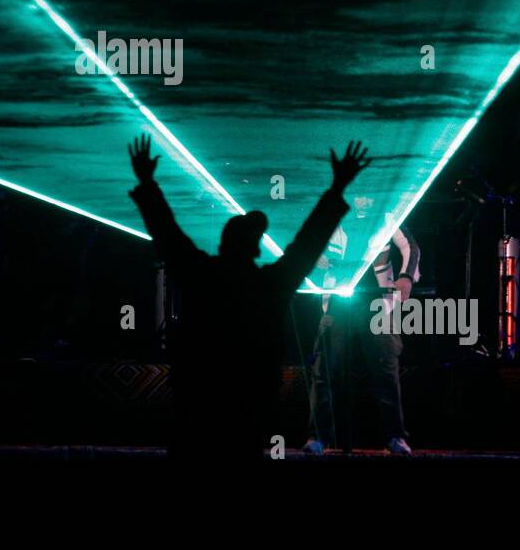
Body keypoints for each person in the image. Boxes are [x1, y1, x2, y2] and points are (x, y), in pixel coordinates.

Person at [127, 134, 371, 460]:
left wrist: (147, 183)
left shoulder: (201, 275)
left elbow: (167, 233)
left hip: (197, 406)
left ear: (224, 244)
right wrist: (338, 187)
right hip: (248, 409)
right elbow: (307, 245)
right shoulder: (269, 285)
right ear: (255, 248)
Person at [304, 224, 421, 456]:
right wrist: (314, 258)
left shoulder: (387, 214)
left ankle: (395, 436)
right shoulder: (335, 217)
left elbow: (410, 245)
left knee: (385, 372)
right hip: (338, 301)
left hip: (377, 304)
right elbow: (306, 244)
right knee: (325, 370)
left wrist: (406, 276)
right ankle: (318, 436)